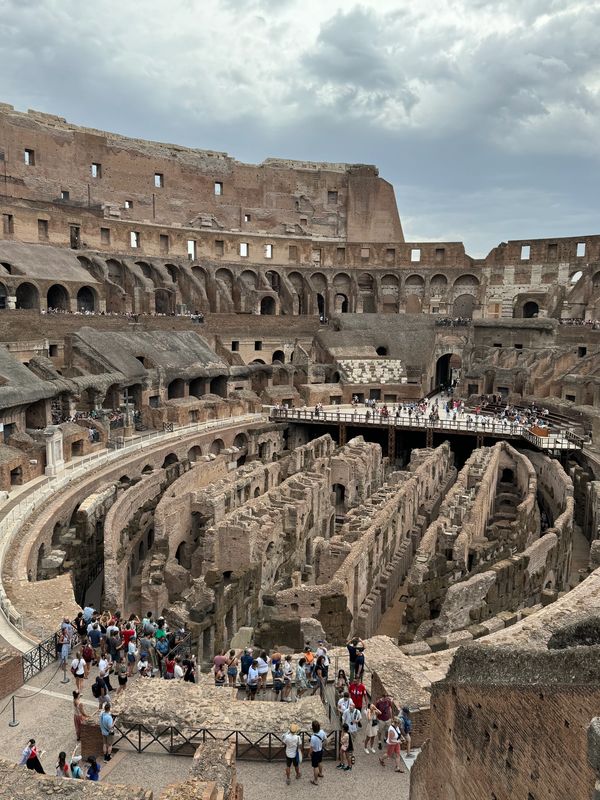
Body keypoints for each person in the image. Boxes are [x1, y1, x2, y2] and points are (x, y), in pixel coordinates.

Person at [309, 719, 326, 784]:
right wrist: (323, 746)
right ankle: (321, 773)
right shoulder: (322, 732)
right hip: (320, 750)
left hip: (315, 752)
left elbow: (311, 748)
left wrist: (309, 754)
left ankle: (315, 780)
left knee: (315, 766)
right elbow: (325, 739)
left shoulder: (313, 737)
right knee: (320, 762)